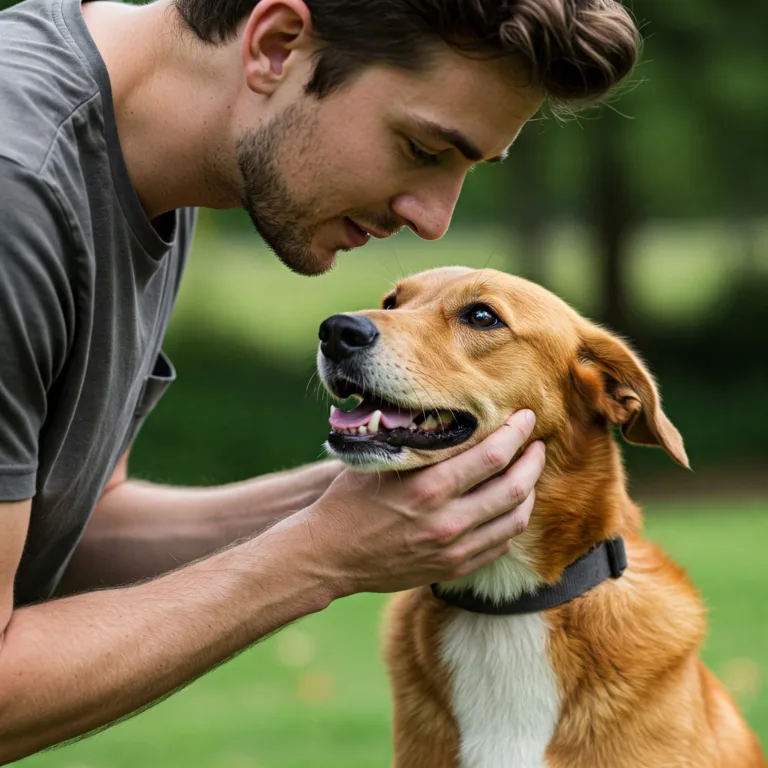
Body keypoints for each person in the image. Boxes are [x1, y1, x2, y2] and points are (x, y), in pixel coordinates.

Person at [0, 0, 639, 760]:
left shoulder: (154, 164)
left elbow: (77, 532)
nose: (434, 220)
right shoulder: (18, 193)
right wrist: (319, 555)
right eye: (422, 147)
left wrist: (367, 505)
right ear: (275, 45)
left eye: (470, 169)